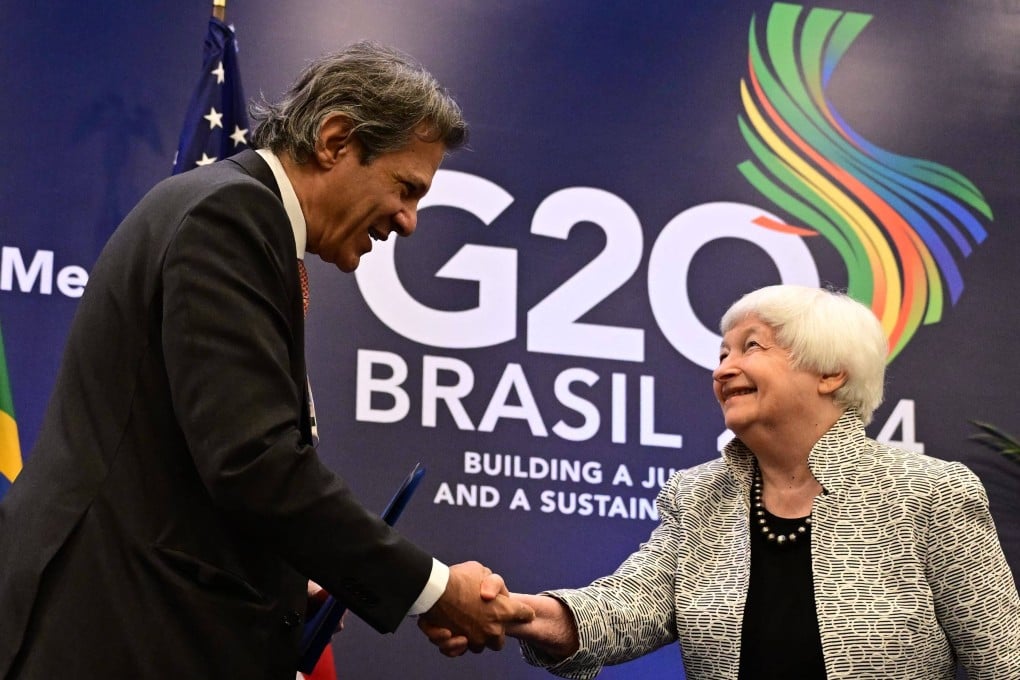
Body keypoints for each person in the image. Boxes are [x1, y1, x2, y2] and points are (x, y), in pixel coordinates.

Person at [0, 41, 531, 679]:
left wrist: (288, 576)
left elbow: (191, 468)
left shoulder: (238, 218)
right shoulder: (229, 217)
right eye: (406, 187)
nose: (411, 221)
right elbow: (255, 467)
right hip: (115, 638)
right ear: (336, 141)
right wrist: (435, 589)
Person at [422, 285, 1020, 679]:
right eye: (721, 353)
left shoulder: (932, 492)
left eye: (750, 348)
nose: (723, 368)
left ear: (832, 372)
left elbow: (1002, 660)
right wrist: (517, 611)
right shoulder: (698, 498)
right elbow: (622, 612)